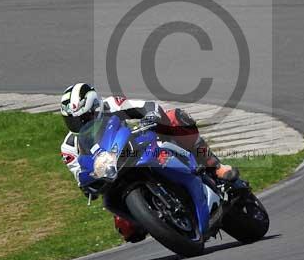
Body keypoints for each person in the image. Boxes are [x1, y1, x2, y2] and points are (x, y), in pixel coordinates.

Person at [58, 82, 238, 242]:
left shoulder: (113, 104)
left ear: (95, 106)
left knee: (175, 119)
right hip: (112, 173)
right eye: (72, 121)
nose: (80, 124)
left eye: (84, 117)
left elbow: (148, 106)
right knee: (126, 229)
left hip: (135, 148)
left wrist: (149, 117)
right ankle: (161, 220)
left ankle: (215, 166)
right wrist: (86, 184)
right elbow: (78, 172)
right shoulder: (68, 146)